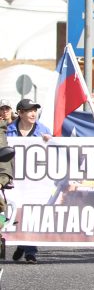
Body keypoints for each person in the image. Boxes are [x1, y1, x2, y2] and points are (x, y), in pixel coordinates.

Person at [7, 99, 52, 264]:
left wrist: (50, 141)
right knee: (13, 213)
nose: (33, 113)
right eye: (29, 110)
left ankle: (30, 251)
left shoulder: (43, 130)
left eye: (35, 110)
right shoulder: (8, 130)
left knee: (31, 213)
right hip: (14, 179)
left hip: (35, 181)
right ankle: (21, 243)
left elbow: (56, 151)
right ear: (20, 113)